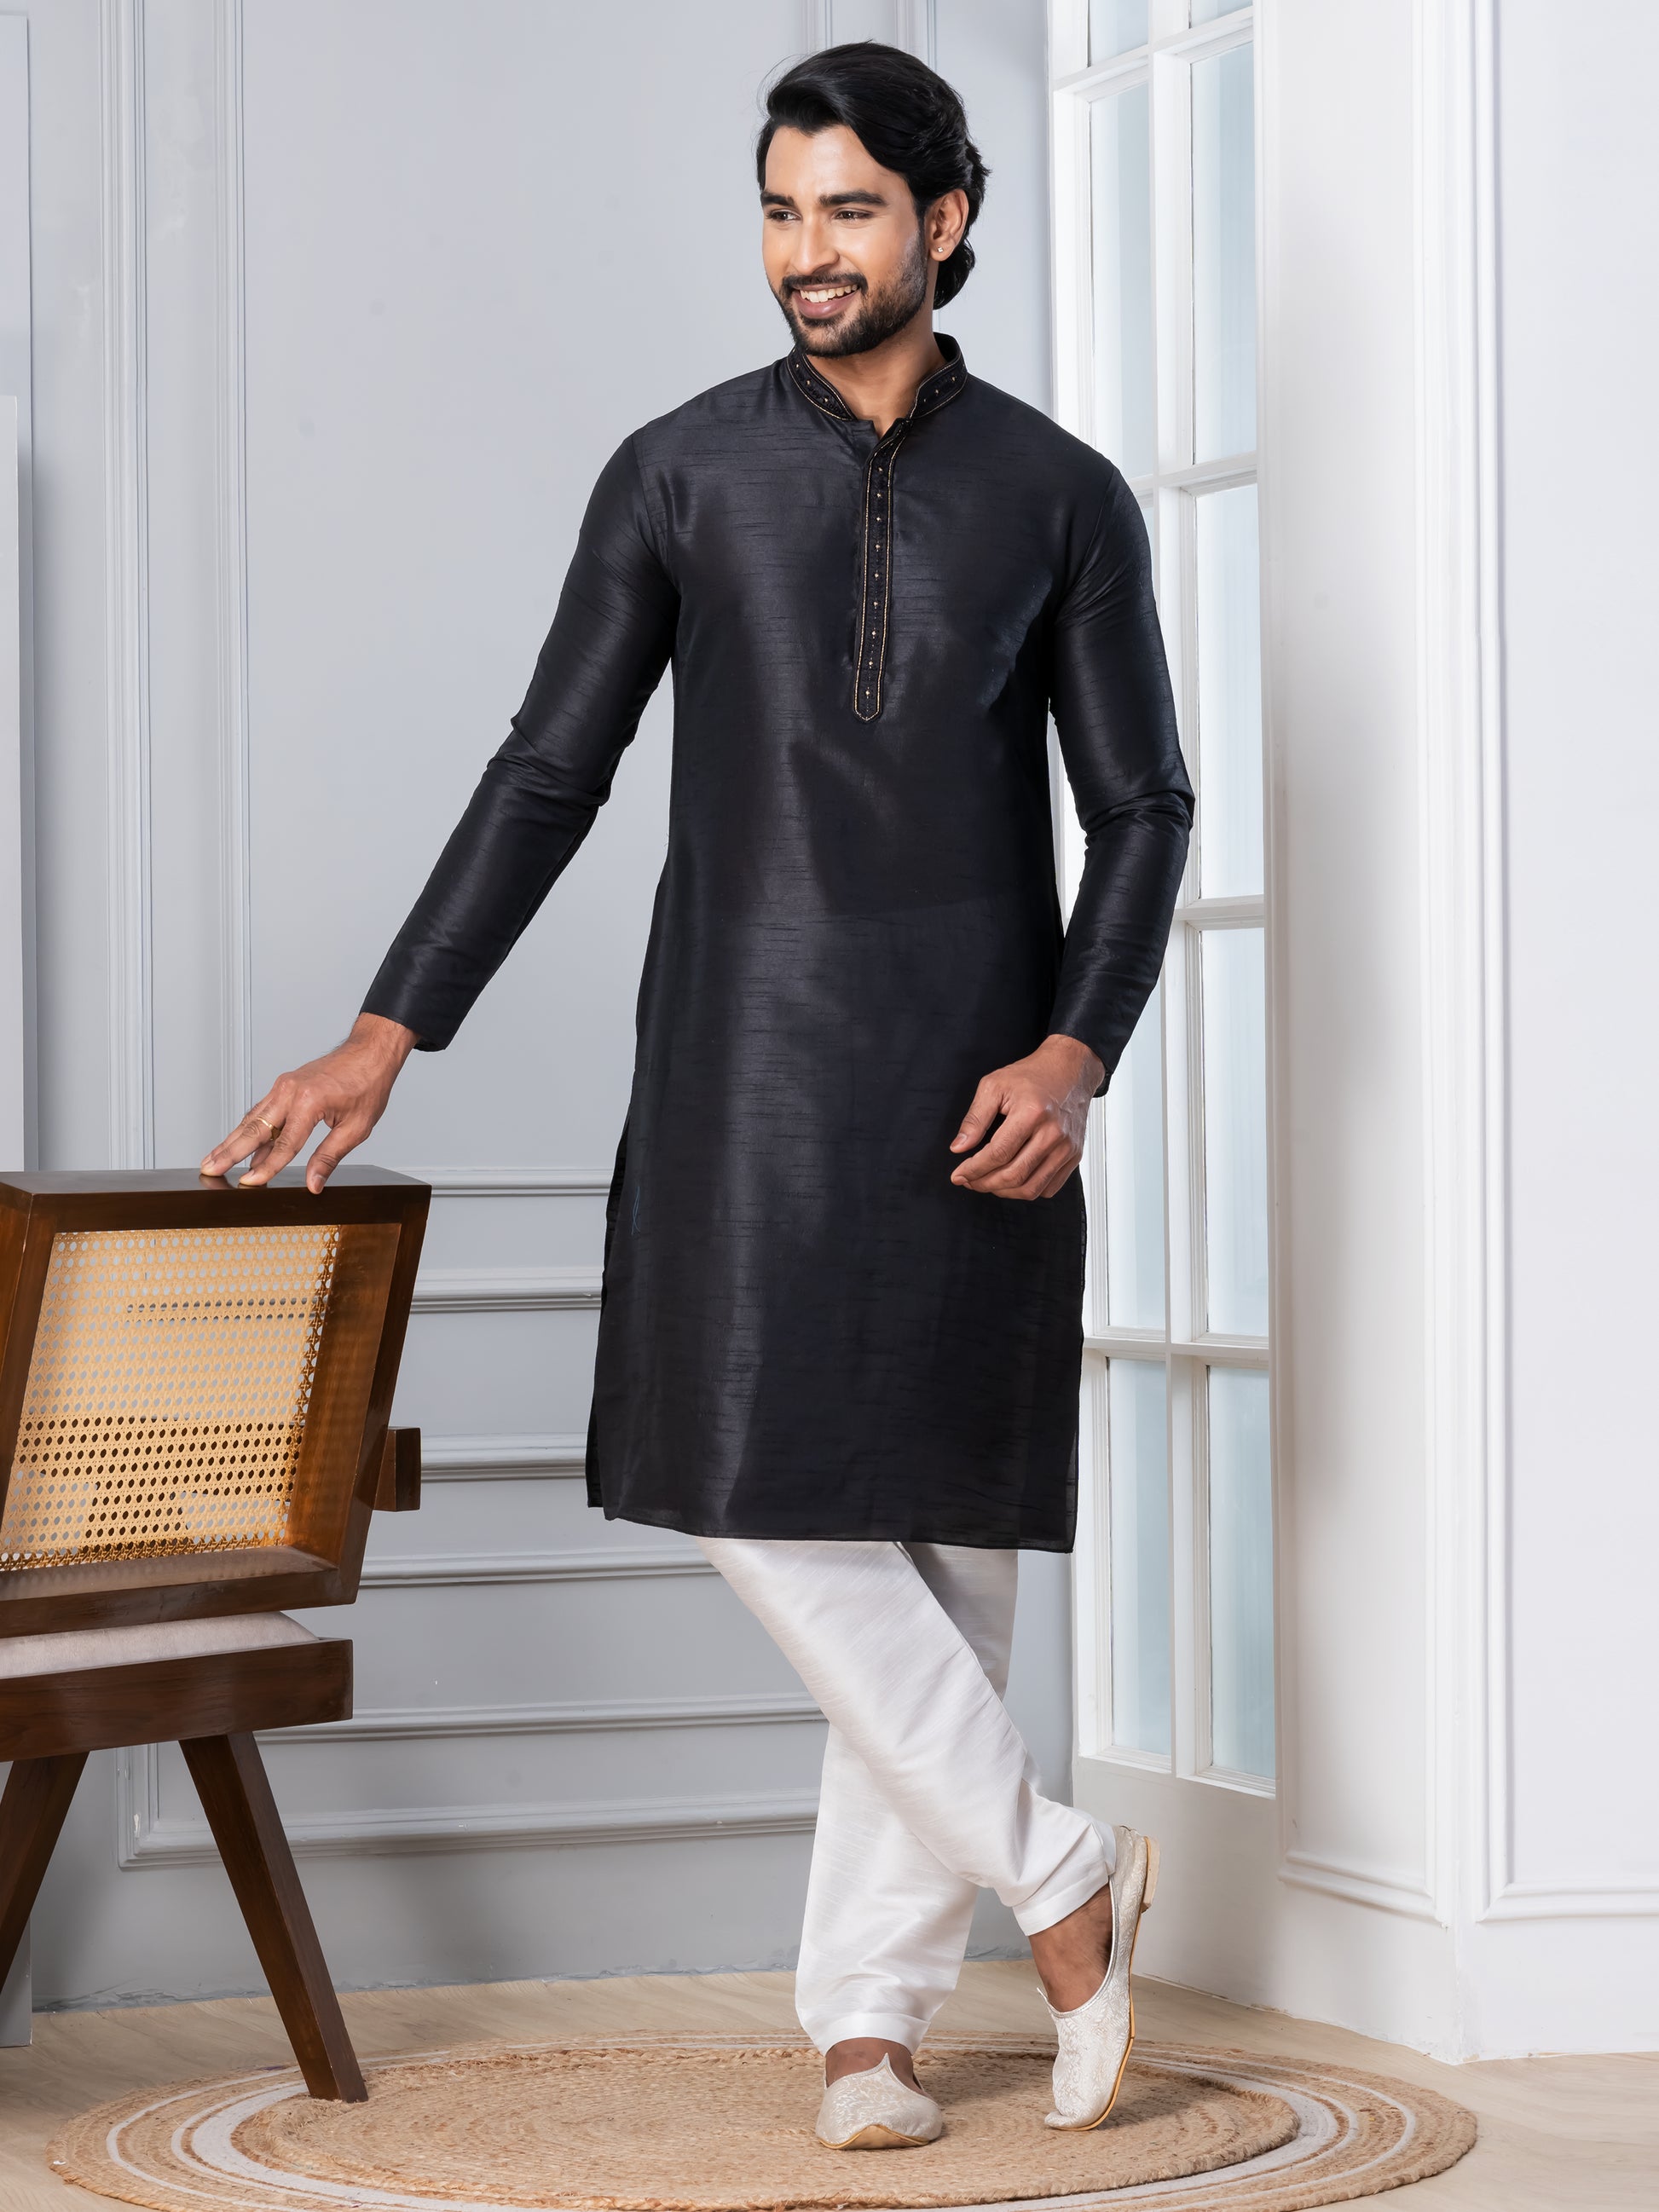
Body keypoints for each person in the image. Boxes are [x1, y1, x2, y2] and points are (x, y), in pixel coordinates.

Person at [203, 41, 1192, 2152]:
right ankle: (1060, 1873)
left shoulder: (1062, 495)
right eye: (777, 210)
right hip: (744, 1060)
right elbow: (546, 769)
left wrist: (1075, 1048)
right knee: (761, 1497)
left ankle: (866, 2024)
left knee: (945, 1556)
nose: (805, 251)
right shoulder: (677, 472)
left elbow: (1143, 807)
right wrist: (389, 1025)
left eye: (847, 210)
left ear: (942, 219)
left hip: (985, 1073)